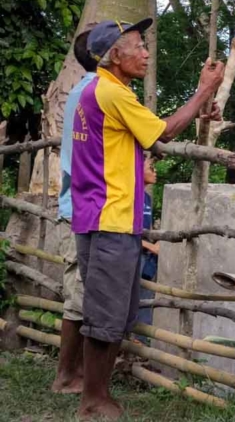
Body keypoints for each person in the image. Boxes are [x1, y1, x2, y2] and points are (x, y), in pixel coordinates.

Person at [71, 18, 224, 420]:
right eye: (138, 46)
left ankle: (97, 394)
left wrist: (199, 109)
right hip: (111, 219)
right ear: (115, 56)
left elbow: (142, 136)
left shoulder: (100, 91)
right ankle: (93, 400)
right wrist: (203, 90)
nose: (145, 53)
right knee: (105, 316)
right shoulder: (113, 94)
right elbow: (164, 133)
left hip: (103, 217)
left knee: (111, 313)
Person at [51, 27, 97, 394]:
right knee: (79, 296)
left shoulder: (83, 90)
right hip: (80, 209)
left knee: (84, 293)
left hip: (80, 206)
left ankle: (75, 373)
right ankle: (67, 374)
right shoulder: (93, 93)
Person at [136, 156, 160, 340]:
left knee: (145, 296)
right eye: (151, 168)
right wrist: (150, 246)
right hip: (130, 253)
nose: (155, 171)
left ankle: (140, 341)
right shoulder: (130, 195)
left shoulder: (147, 198)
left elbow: (146, 229)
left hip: (144, 255)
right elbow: (125, 229)